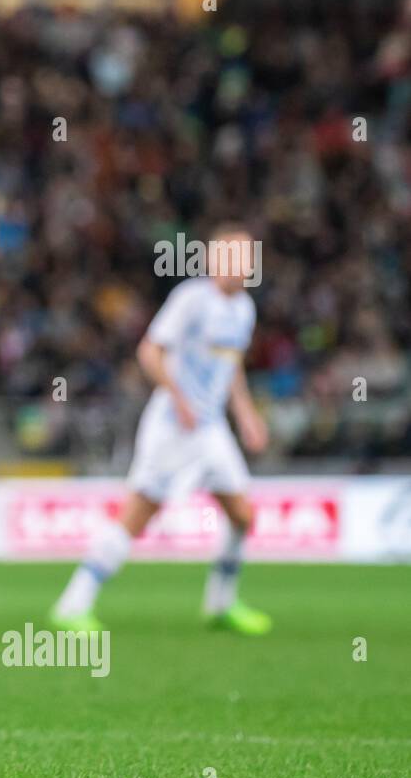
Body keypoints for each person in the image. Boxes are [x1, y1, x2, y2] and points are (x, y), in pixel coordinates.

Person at [50, 225, 271, 636]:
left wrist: (246, 416)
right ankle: (72, 603)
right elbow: (149, 351)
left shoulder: (244, 310)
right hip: (173, 425)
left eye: (245, 258)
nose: (239, 266)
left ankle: (220, 604)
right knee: (138, 514)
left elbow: (231, 366)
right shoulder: (191, 299)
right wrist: (180, 397)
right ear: (212, 260)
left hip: (211, 429)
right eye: (231, 256)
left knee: (243, 514)